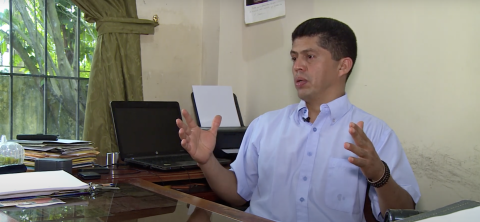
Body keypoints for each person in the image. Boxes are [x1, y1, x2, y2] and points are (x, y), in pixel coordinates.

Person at [176, 17, 420, 222]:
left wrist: (379, 174)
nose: (297, 66)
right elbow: (237, 194)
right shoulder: (265, 125)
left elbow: (404, 214)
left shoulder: (374, 133)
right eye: (294, 58)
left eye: (310, 57)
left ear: (343, 66)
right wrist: (207, 161)